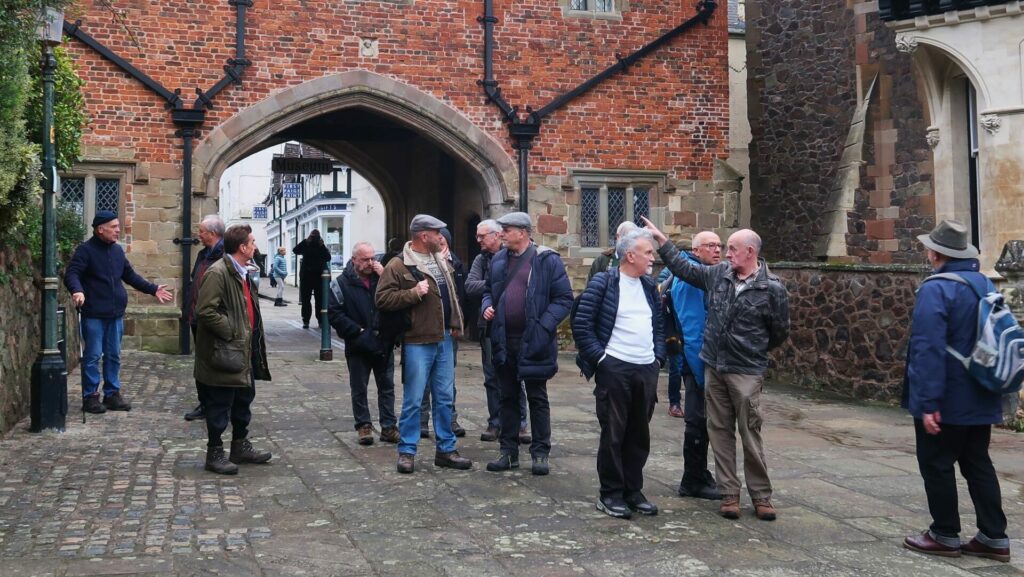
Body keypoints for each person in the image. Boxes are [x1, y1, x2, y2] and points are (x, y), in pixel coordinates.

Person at [642, 216, 789, 521]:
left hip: (746, 370)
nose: (726, 252)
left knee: (750, 434)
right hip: (714, 367)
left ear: (751, 252)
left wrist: (751, 349)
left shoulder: (771, 288)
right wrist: (662, 240)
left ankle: (761, 496)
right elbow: (686, 270)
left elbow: (779, 331)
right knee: (719, 432)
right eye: (722, 247)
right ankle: (729, 495)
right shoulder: (719, 274)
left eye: (732, 248)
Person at [901, 220, 1011, 563]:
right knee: (977, 462)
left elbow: (928, 348)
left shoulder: (937, 288)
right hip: (983, 391)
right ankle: (994, 537)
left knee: (936, 462)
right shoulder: (984, 284)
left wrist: (928, 402)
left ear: (936, 253)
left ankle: (944, 533)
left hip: (948, 396)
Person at [573, 229, 665, 518]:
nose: (653, 257)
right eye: (648, 252)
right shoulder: (604, 282)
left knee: (639, 433)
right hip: (615, 368)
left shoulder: (649, 287)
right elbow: (582, 324)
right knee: (614, 432)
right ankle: (610, 493)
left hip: (645, 368)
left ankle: (632, 490)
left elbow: (659, 326)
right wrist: (602, 360)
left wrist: (657, 359)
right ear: (630, 255)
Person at [375, 214, 471, 474]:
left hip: (444, 339)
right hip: (418, 340)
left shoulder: (441, 261)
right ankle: (407, 451)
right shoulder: (398, 265)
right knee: (414, 399)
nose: (442, 238)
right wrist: (413, 293)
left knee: (444, 398)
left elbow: (452, 294)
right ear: (423, 236)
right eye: (437, 233)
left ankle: (446, 450)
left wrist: (455, 323)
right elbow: (382, 299)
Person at [482, 212, 574, 476]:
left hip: (534, 341)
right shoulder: (498, 260)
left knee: (537, 397)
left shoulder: (546, 260)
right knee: (507, 397)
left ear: (522, 232)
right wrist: (487, 306)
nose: (501, 234)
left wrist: (544, 326)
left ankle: (540, 453)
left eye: (506, 230)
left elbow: (564, 299)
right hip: (503, 339)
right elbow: (489, 290)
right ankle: (508, 452)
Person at [64, 211, 174, 414]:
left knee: (113, 355)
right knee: (93, 356)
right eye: (113, 227)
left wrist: (153, 288)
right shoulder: (85, 251)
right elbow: (72, 273)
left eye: (118, 226)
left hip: (115, 314)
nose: (118, 230)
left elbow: (130, 275)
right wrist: (77, 290)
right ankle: (90, 397)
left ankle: (112, 394)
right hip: (94, 314)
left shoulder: (116, 251)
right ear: (100, 229)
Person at [194, 224, 273, 475]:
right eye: (252, 242)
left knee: (243, 401)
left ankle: (240, 446)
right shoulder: (218, 272)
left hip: (244, 350)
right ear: (242, 247)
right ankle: (215, 453)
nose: (255, 246)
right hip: (225, 351)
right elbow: (205, 311)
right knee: (220, 403)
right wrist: (232, 332)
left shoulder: (244, 272)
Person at [670, 231, 724, 501]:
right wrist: (702, 374)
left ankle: (699, 475)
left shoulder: (699, 272)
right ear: (696, 250)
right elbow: (693, 329)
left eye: (719, 245)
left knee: (701, 422)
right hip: (697, 363)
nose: (717, 250)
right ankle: (692, 480)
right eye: (710, 246)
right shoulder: (692, 279)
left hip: (698, 361)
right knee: (697, 422)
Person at [328, 242, 399, 446]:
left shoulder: (381, 278)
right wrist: (357, 332)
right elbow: (334, 313)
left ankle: (388, 427)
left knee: (387, 387)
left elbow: (397, 298)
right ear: (354, 260)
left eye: (372, 259)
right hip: (358, 344)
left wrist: (385, 274)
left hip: (383, 342)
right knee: (359, 387)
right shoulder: (341, 283)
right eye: (365, 259)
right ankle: (363, 426)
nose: (370, 263)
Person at [465, 219, 530, 444]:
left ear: (495, 235)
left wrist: (496, 285)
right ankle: (495, 422)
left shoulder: (516, 256)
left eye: (482, 236)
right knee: (492, 376)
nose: (478, 240)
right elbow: (470, 286)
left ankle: (521, 424)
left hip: (515, 328)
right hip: (489, 327)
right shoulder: (480, 259)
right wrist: (495, 285)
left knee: (517, 375)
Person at [420, 228, 466, 438]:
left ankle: (450, 420)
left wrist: (459, 323)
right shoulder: (421, 263)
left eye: (441, 240)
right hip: (425, 330)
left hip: (448, 330)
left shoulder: (455, 264)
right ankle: (422, 421)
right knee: (423, 379)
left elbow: (461, 294)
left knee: (447, 380)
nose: (438, 243)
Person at [183, 215, 225, 421]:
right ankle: (205, 404)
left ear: (213, 233)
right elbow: (194, 281)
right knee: (201, 363)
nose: (198, 235)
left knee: (215, 362)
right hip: (196, 317)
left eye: (201, 231)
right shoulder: (203, 254)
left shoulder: (224, 256)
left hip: (212, 319)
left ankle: (217, 404)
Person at [293, 229, 332, 329]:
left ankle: (319, 320)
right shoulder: (306, 244)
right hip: (307, 277)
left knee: (319, 300)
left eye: (315, 237)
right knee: (306, 300)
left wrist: (322, 245)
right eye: (313, 236)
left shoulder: (320, 246)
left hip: (319, 277)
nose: (314, 239)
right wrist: (306, 241)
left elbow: (328, 257)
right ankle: (306, 320)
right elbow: (295, 250)